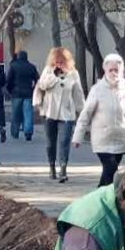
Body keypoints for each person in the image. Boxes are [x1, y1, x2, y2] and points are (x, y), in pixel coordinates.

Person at [74, 54, 125, 187]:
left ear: (121, 71)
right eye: (110, 70)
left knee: (108, 174)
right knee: (111, 170)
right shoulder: (97, 90)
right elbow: (85, 115)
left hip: (121, 141)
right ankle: (107, 199)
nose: (113, 73)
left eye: (116, 70)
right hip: (102, 140)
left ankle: (98, 198)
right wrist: (78, 137)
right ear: (105, 70)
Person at [35, 47, 85, 182]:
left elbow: (78, 93)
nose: (59, 65)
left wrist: (83, 112)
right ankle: (51, 167)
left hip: (66, 113)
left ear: (67, 62)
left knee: (64, 141)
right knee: (50, 142)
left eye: (62, 62)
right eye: (56, 62)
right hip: (49, 112)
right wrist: (54, 76)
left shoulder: (73, 74)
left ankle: (63, 169)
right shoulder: (48, 71)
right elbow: (42, 85)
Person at [6, 50, 40, 141]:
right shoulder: (31, 67)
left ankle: (15, 132)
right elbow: (38, 79)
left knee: (16, 114)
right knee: (28, 113)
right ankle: (28, 132)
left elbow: (9, 79)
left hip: (16, 93)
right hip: (28, 93)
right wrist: (33, 90)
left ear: (18, 57)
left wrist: (9, 90)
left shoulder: (13, 66)